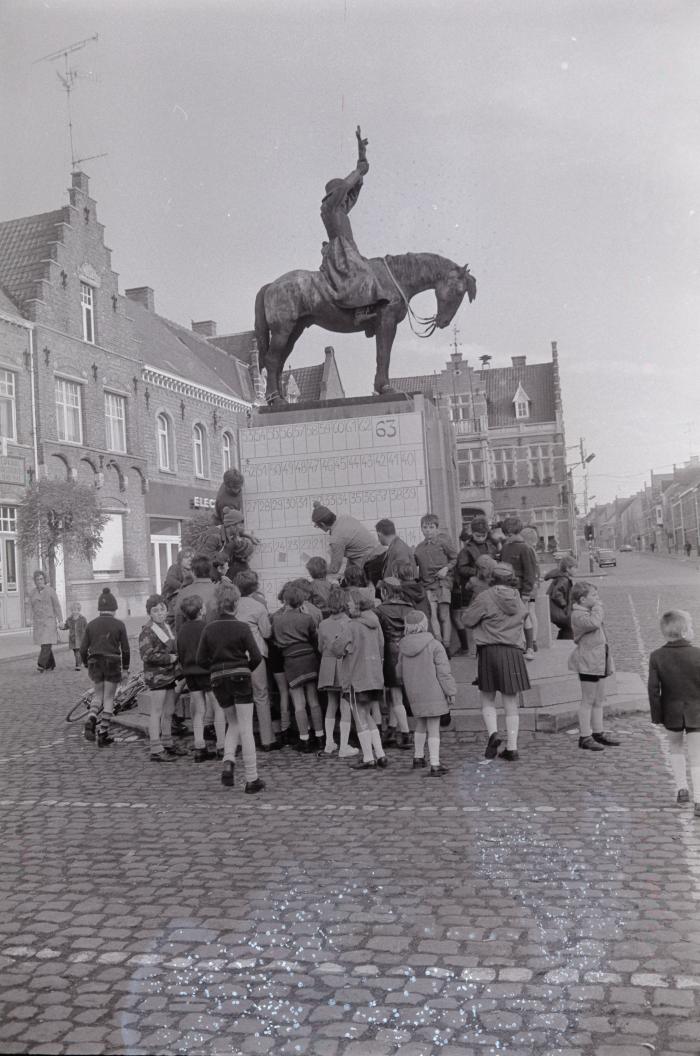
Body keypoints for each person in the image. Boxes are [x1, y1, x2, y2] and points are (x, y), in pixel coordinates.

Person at [197, 582, 264, 793]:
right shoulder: (242, 627)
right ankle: (252, 778)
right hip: (241, 677)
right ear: (236, 604)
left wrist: (214, 668)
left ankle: (228, 760)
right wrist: (245, 667)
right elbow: (256, 656)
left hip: (218, 680)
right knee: (245, 727)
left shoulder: (208, 629)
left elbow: (200, 659)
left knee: (232, 722)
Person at [319, 125, 388, 328]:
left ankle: (367, 311)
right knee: (363, 273)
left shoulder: (340, 209)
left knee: (367, 270)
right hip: (339, 250)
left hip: (347, 247)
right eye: (343, 195)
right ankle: (360, 313)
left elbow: (354, 191)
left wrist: (361, 156)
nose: (346, 199)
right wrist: (357, 171)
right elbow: (346, 187)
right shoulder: (329, 207)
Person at [462, 562, 530, 761]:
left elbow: (466, 620)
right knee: (511, 702)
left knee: (487, 698)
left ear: (492, 577)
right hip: (513, 651)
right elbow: (525, 618)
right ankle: (512, 747)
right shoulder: (517, 598)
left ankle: (493, 733)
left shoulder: (485, 596)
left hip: (489, 651)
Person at [648, 610, 700, 812]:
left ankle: (681, 788)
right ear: (686, 630)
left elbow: (653, 690)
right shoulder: (698, 654)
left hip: (671, 712)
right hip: (697, 712)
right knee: (697, 756)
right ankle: (699, 800)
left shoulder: (657, 656)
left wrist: (657, 715)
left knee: (676, 749)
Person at [331, 588, 387, 770]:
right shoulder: (375, 623)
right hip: (374, 675)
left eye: (349, 601)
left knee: (358, 716)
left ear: (356, 604)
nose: (347, 604)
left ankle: (368, 758)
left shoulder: (350, 626)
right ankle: (381, 754)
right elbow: (381, 647)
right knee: (368, 715)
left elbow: (337, 650)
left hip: (356, 677)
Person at [397, 609, 456, 775]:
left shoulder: (403, 647)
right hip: (433, 692)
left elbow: (399, 672)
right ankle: (435, 763)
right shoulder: (435, 645)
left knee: (420, 724)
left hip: (414, 693)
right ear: (425, 624)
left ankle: (418, 757)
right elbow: (443, 672)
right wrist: (450, 691)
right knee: (434, 727)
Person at [568, 582, 620, 751]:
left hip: (599, 659)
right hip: (588, 661)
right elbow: (594, 623)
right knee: (588, 700)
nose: (598, 599)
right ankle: (585, 736)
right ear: (583, 599)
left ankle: (598, 732)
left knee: (599, 699)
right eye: (594, 596)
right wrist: (598, 607)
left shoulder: (588, 611)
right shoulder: (578, 614)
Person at [271, 583, 323, 752]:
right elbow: (314, 638)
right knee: (313, 699)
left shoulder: (277, 620)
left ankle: (304, 738)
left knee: (298, 702)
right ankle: (320, 736)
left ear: (285, 600)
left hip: (291, 660)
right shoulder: (307, 618)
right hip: (308, 658)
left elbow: (276, 641)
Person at [234, 570, 281, 752]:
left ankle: (238, 739)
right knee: (261, 695)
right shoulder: (258, 606)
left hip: (236, 655)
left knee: (239, 696)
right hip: (256, 654)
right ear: (255, 587)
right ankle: (267, 738)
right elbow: (267, 632)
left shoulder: (232, 605)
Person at [80, 587, 130, 747]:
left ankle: (91, 718)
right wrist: (125, 669)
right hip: (112, 662)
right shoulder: (119, 624)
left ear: (99, 608)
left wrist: (87, 663)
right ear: (114, 608)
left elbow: (82, 649)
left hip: (95, 662)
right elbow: (126, 649)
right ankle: (103, 733)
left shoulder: (91, 625)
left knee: (97, 696)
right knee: (109, 698)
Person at [139, 594, 186, 763]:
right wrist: (169, 658)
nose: (159, 613)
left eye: (162, 609)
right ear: (150, 613)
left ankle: (167, 742)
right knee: (157, 712)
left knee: (169, 711)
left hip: (169, 675)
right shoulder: (147, 630)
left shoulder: (166, 626)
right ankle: (156, 748)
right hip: (157, 677)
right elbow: (146, 655)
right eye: (155, 610)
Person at [317, 585, 358, 757]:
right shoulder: (349, 623)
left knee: (331, 704)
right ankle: (343, 746)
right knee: (345, 704)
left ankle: (329, 743)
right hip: (343, 665)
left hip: (327, 665)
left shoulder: (323, 623)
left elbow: (319, 647)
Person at [176, 594, 217, 762]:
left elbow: (180, 651)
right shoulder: (206, 627)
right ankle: (221, 744)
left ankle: (199, 746)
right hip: (207, 672)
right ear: (201, 610)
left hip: (191, 673)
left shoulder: (182, 630)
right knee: (217, 706)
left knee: (198, 711)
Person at [376, 578, 413, 749]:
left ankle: (405, 734)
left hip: (390, 652)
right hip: (407, 650)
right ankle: (391, 729)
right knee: (395, 693)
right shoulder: (410, 608)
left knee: (396, 695)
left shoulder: (380, 610)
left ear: (385, 591)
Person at [414, 513, 457, 651]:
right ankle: (439, 645)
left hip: (443, 583)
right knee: (432, 614)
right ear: (421, 529)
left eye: (431, 527)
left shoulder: (443, 543)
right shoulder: (419, 548)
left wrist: (446, 568)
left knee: (444, 614)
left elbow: (454, 558)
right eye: (425, 527)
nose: (428, 530)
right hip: (427, 585)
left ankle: (447, 644)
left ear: (436, 528)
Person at [453, 518, 497, 654]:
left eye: (483, 535)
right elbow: (462, 568)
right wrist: (478, 573)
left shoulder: (491, 546)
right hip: (474, 590)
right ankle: (476, 648)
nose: (480, 538)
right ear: (472, 533)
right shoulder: (466, 550)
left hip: (490, 586)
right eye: (478, 535)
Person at [311, 502, 384, 581]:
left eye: (317, 526)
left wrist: (317, 570)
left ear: (322, 524)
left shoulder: (336, 538)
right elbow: (353, 551)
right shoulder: (346, 518)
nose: (318, 527)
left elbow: (334, 568)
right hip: (383, 555)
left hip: (373, 564)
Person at [500, 517, 539, 660]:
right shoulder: (505, 548)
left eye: (510, 535)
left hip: (521, 590)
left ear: (518, 533)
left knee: (524, 618)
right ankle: (517, 645)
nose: (508, 538)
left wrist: (527, 593)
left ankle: (529, 647)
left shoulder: (525, 548)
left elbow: (530, 573)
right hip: (506, 589)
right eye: (506, 535)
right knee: (511, 619)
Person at [173, 555, 219, 633]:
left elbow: (179, 622)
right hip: (215, 639)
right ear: (210, 571)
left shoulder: (184, 592)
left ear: (193, 572)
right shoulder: (220, 591)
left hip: (191, 638)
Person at [28, 570, 63, 673]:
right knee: (44, 643)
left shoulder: (50, 591)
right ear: (35, 581)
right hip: (38, 622)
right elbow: (30, 607)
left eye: (41, 579)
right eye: (37, 579)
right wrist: (29, 619)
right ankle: (50, 664)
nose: (39, 581)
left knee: (46, 642)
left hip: (49, 621)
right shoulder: (32, 593)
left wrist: (60, 620)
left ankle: (41, 664)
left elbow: (57, 606)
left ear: (44, 579)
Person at [544, 555, 578, 640]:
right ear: (567, 568)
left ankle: (562, 640)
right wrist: (565, 605)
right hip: (560, 611)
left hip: (557, 611)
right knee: (570, 627)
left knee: (567, 628)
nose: (576, 570)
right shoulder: (564, 580)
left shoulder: (562, 578)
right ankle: (566, 645)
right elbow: (556, 594)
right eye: (575, 568)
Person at [395, 560, 432, 625]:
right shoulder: (421, 588)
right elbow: (429, 610)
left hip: (413, 629)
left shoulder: (400, 591)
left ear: (397, 574)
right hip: (426, 627)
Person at [61, 600, 87, 671]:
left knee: (79, 651)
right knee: (76, 652)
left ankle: (78, 665)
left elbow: (86, 628)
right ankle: (80, 662)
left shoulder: (83, 619)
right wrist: (62, 627)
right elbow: (66, 626)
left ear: (79, 610)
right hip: (73, 639)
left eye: (76, 610)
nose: (74, 612)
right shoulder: (69, 619)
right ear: (71, 611)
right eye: (73, 610)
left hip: (81, 638)